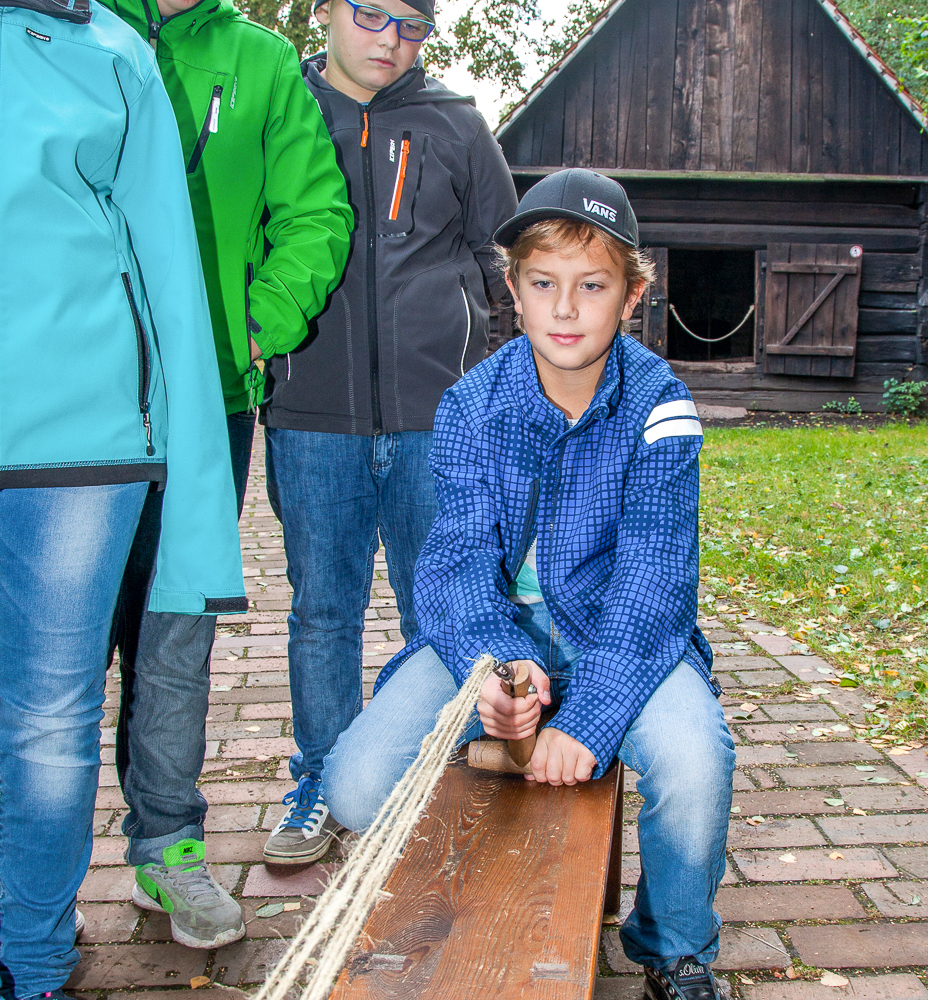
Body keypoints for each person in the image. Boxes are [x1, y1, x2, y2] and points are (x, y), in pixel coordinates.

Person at [322, 170, 736, 1000]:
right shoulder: (473, 404)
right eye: (544, 284)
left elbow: (656, 588)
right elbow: (454, 564)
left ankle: (673, 947)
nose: (567, 309)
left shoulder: (664, 406)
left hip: (621, 637)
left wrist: (587, 717)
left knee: (696, 764)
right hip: (497, 632)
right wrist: (500, 671)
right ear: (512, 289)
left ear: (631, 297)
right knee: (354, 784)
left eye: (593, 286)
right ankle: (453, 897)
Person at [0, 0, 245, 991]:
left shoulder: (115, 51)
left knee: (46, 717)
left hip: (74, 443)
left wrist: (194, 503)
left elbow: (170, 281)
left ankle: (31, 960)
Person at [103, 0, 353, 946]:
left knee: (174, 634)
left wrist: (258, 325)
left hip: (209, 404)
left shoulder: (260, 60)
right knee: (52, 645)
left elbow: (317, 210)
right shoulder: (69, 32)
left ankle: (166, 851)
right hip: (68, 403)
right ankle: (24, 866)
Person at [258, 0, 517, 866]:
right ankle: (321, 785)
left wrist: (481, 383)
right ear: (327, 10)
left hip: (433, 423)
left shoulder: (457, 125)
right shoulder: (283, 111)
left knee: (435, 608)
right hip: (311, 415)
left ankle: (433, 778)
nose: (389, 39)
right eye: (370, 14)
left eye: (412, 25)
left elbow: (500, 260)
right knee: (322, 612)